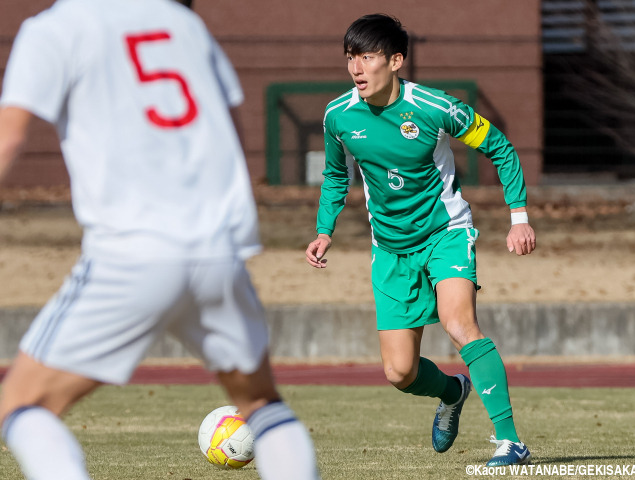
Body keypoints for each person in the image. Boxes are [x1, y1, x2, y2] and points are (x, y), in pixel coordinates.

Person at [0, 1, 321, 479]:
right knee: (261, 404)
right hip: (218, 250)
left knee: (22, 406)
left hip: (131, 253)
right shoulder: (182, 22)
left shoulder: (54, 29)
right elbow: (231, 130)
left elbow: (9, 139)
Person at [305, 13, 535, 467]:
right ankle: (453, 392)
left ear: (395, 61)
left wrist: (519, 217)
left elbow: (500, 147)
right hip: (389, 249)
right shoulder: (338, 116)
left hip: (445, 233)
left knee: (458, 325)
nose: (356, 68)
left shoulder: (434, 107)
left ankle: (511, 442)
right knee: (399, 372)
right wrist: (324, 229)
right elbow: (335, 176)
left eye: (366, 57)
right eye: (350, 57)